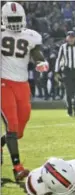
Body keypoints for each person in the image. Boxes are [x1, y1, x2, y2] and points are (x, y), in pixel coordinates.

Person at [1, 2, 49, 180]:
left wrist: (40, 62)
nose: (14, 23)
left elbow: (36, 52)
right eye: (11, 19)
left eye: (17, 19)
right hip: (3, 83)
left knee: (20, 127)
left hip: (22, 84)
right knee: (12, 125)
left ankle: (1, 143)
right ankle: (17, 168)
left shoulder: (30, 35)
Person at [54, 31, 75, 117]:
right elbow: (58, 59)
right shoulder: (63, 47)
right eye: (69, 37)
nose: (71, 39)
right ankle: (69, 111)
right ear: (66, 38)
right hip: (67, 71)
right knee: (68, 92)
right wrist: (57, 72)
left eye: (73, 37)